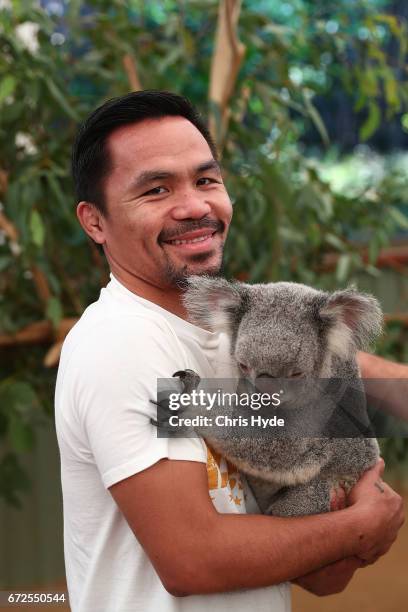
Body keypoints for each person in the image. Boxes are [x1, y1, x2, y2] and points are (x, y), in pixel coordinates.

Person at [55, 90, 404, 612]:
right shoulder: (122, 344)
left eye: (206, 179)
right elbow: (190, 561)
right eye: (155, 189)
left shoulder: (231, 336)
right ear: (95, 221)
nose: (194, 206)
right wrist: (355, 527)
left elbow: (321, 577)